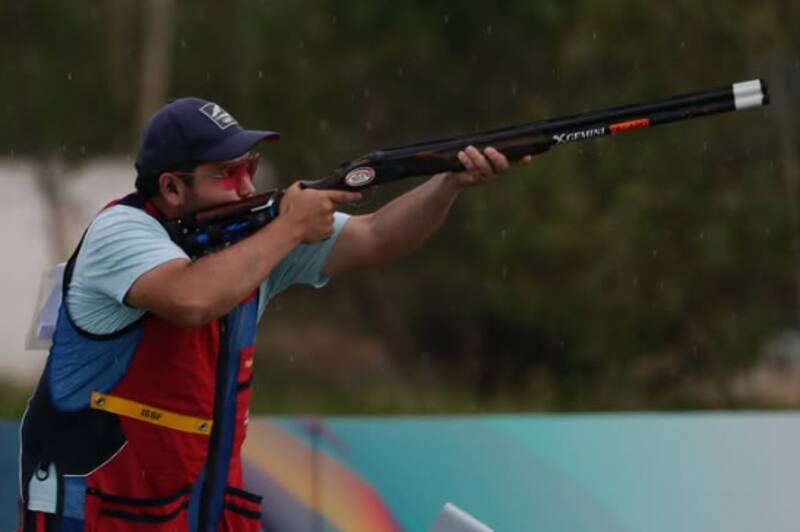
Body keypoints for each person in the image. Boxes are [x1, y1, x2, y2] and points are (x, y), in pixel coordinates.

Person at [18, 97, 527, 530]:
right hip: (93, 509)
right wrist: (288, 228)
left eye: (250, 168)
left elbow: (376, 237)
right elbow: (191, 299)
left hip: (191, 507)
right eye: (228, 174)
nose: (246, 186)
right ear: (171, 188)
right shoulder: (121, 232)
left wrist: (447, 184)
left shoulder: (251, 235)